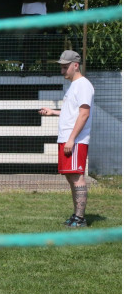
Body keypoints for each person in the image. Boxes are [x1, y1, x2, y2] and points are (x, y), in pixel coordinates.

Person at [38, 50, 94, 228]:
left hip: (75, 140)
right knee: (70, 177)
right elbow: (72, 113)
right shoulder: (73, 86)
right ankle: (76, 215)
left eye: (65, 67)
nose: (62, 71)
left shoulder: (83, 85)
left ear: (75, 65)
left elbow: (84, 114)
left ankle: (80, 218)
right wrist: (53, 112)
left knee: (77, 177)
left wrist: (71, 139)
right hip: (68, 139)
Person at [20, 0, 52, 72]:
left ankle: (44, 69)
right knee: (27, 43)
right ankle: (25, 68)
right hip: (27, 16)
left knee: (41, 43)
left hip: (40, 17)